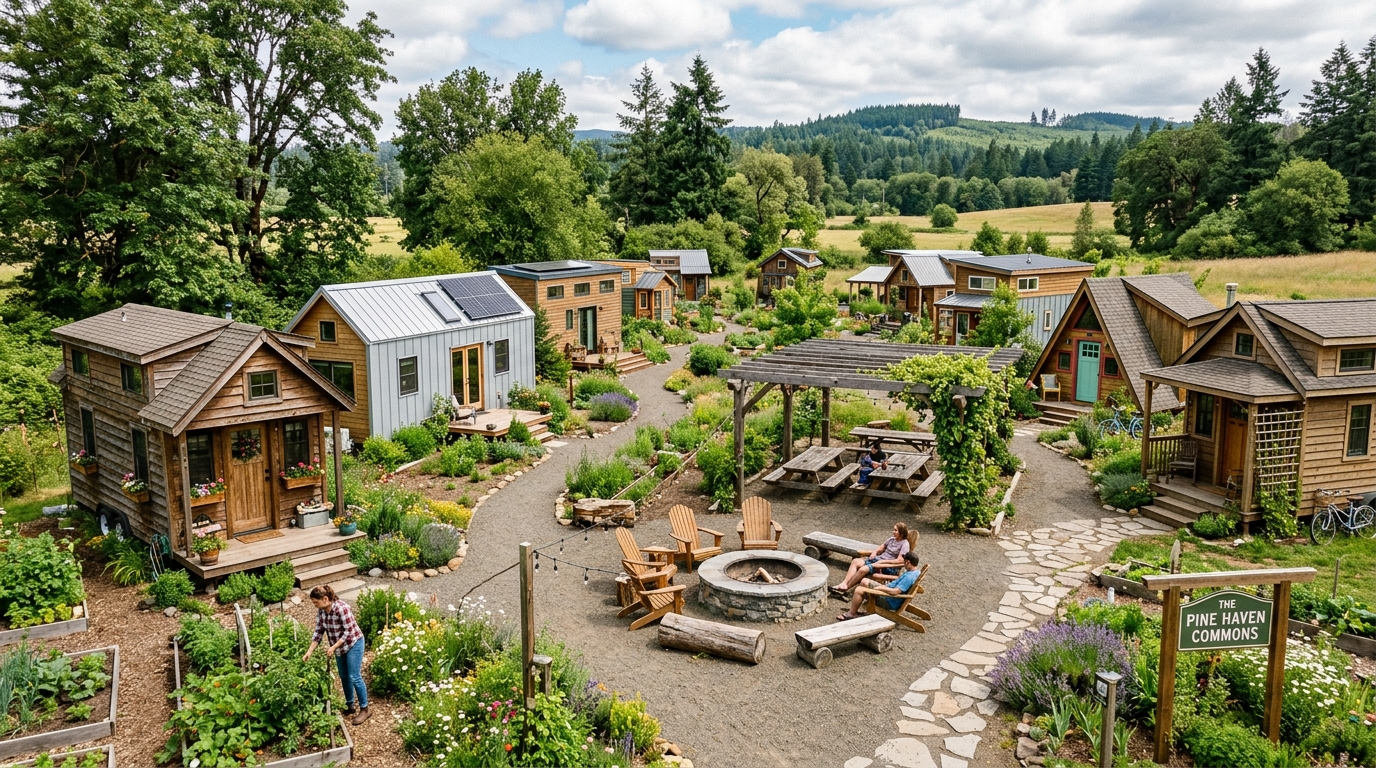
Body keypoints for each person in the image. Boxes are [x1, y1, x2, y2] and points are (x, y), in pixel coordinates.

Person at [304, 585, 370, 725]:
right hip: (339, 647)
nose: (315, 605)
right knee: (343, 676)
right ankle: (349, 705)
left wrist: (333, 647)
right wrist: (309, 651)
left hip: (353, 643)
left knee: (354, 676)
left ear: (325, 598)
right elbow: (318, 632)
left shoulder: (342, 608)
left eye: (316, 602)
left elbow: (348, 632)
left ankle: (365, 709)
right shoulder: (322, 612)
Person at [830, 522, 910, 596]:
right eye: (894, 530)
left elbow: (900, 560)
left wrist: (883, 562)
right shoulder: (892, 539)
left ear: (902, 532)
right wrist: (875, 552)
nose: (893, 532)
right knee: (855, 561)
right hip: (878, 560)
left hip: (887, 566)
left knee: (863, 569)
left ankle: (846, 587)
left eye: (896, 530)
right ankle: (843, 583)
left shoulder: (905, 544)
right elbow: (882, 547)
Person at [838, 551, 921, 621]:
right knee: (864, 581)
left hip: (889, 600)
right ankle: (858, 605)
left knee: (859, 590)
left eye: (904, 562)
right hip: (889, 592)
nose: (904, 565)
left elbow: (896, 591)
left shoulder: (909, 577)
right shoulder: (916, 572)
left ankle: (851, 614)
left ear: (908, 562)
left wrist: (881, 588)